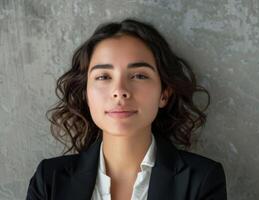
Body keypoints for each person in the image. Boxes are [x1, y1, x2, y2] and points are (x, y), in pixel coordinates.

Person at [26, 18, 227, 200]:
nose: (120, 91)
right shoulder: (49, 180)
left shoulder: (202, 179)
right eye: (103, 77)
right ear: (86, 94)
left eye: (139, 75)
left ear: (164, 93)